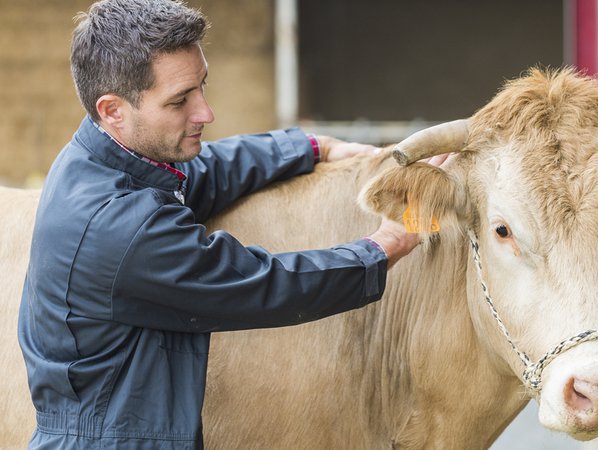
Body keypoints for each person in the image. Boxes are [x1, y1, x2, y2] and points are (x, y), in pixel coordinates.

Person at [17, 0, 427, 448]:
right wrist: (382, 246)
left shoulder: (96, 157)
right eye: (180, 101)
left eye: (201, 88)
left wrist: (309, 147)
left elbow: (205, 170)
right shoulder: (118, 228)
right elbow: (261, 284)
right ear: (113, 109)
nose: (205, 113)